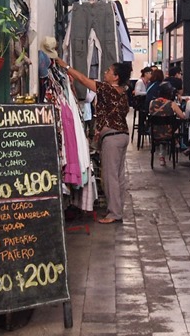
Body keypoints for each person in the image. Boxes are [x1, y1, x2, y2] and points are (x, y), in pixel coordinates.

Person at [56, 57, 133, 224]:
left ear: (116, 77)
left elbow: (83, 79)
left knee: (109, 176)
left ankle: (114, 213)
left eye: (109, 71)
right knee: (118, 176)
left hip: (112, 138)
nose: (105, 73)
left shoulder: (107, 89)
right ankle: (118, 210)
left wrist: (66, 66)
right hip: (123, 135)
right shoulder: (123, 92)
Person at [148, 82, 187, 166]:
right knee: (172, 125)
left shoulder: (152, 103)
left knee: (162, 127)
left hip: (155, 132)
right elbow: (182, 117)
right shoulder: (172, 104)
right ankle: (176, 141)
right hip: (168, 133)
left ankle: (162, 157)